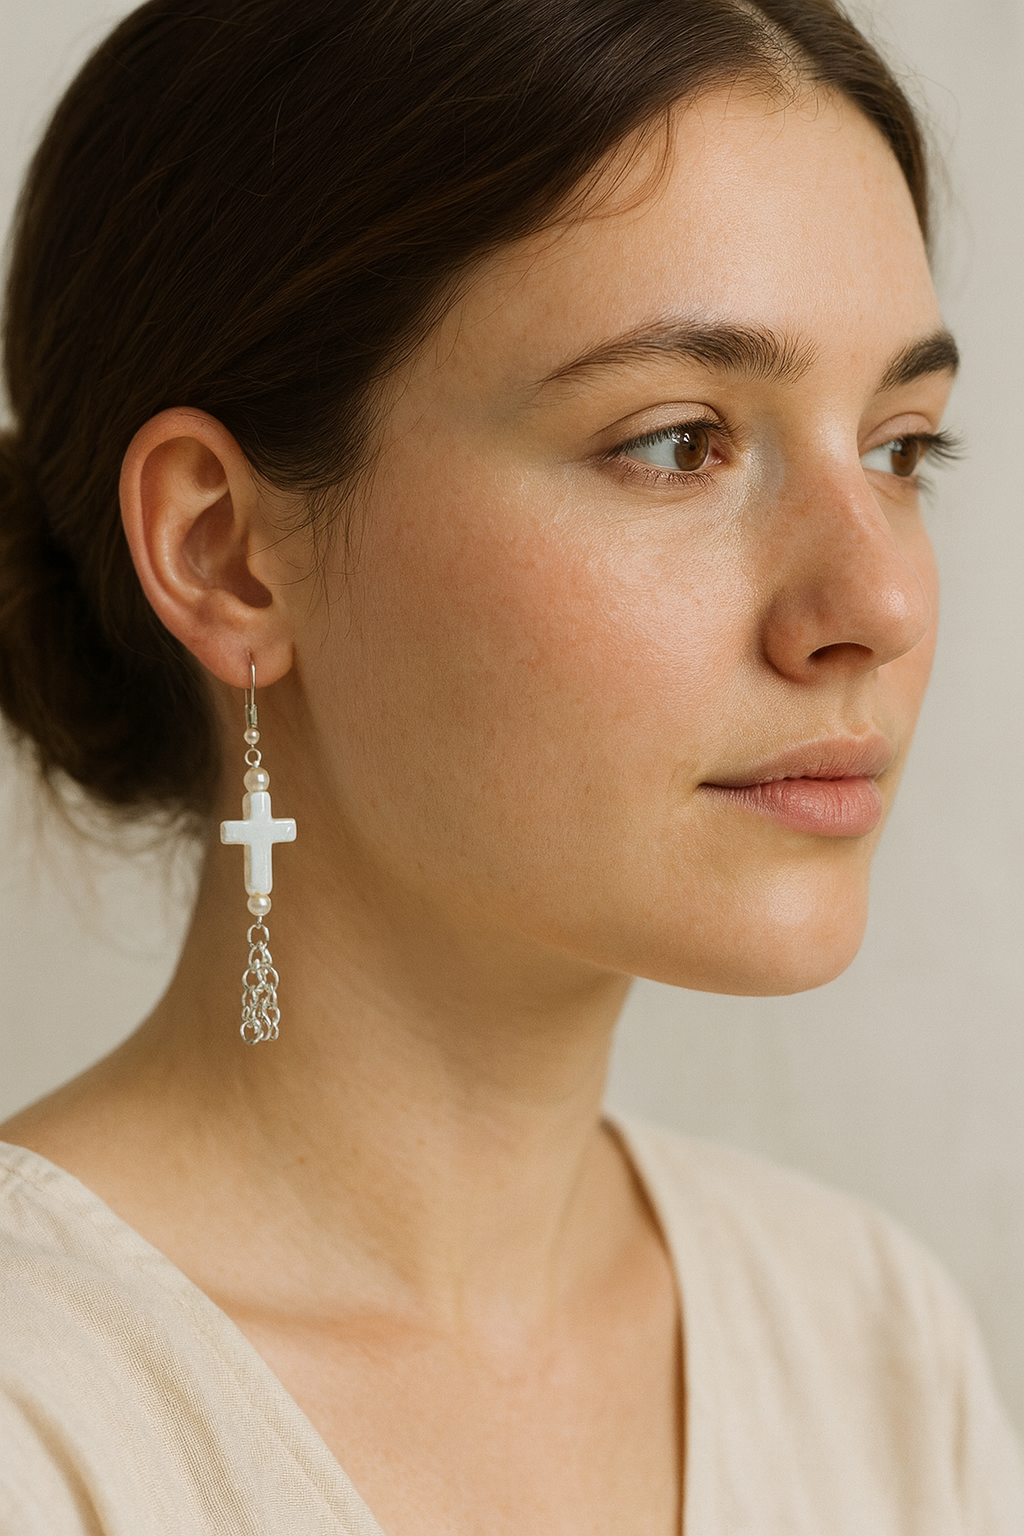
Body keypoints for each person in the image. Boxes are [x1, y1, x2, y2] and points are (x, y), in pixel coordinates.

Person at [0, 0, 1021, 1530]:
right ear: (226, 553)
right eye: (679, 442)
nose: (874, 605)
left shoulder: (869, 1343)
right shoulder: (44, 1422)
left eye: (898, 447)